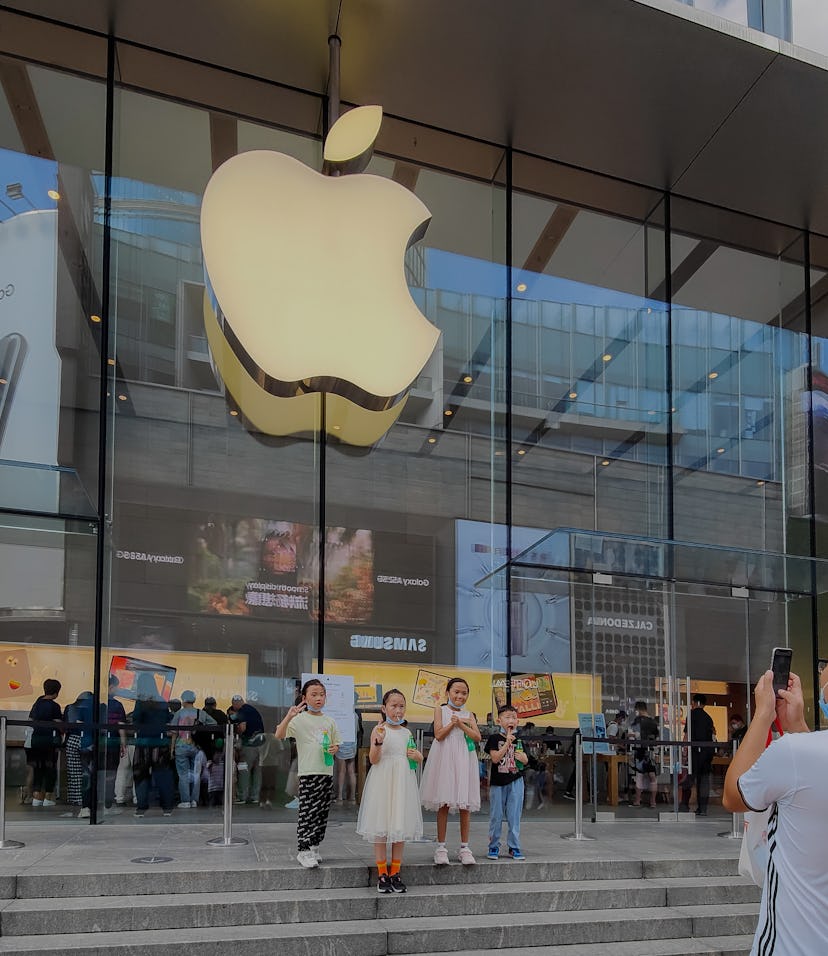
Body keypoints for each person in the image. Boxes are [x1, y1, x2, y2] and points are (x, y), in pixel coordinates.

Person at [723, 670, 820, 956]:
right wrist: (798, 725)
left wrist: (763, 715)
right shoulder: (805, 755)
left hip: (789, 946)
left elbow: (733, 795)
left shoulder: (793, 754)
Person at [356, 688, 423, 893]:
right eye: (393, 706)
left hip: (403, 782)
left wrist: (418, 757)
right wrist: (378, 742)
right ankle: (382, 873)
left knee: (399, 824)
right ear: (384, 708)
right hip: (383, 781)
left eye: (401, 706)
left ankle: (395, 871)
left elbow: (413, 759)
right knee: (381, 825)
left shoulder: (407, 732)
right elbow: (374, 760)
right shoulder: (379, 730)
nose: (398, 710)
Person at [274, 678, 341, 868]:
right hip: (308, 772)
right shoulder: (299, 720)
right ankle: (303, 849)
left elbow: (336, 743)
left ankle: (314, 846)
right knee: (307, 812)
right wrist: (289, 716)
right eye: (314, 694)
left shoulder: (330, 721)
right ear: (304, 698)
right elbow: (279, 734)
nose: (319, 698)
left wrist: (334, 749)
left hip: (326, 772)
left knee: (321, 812)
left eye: (322, 694)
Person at [419, 676, 481, 865]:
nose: (460, 696)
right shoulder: (441, 710)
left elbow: (477, 737)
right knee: (444, 803)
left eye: (464, 693)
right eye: (456, 691)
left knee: (465, 804)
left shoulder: (469, 714)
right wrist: (452, 723)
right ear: (447, 693)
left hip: (464, 758)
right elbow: (438, 735)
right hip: (445, 758)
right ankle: (441, 847)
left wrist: (461, 724)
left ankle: (464, 847)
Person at [484, 703, 528, 860]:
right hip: (498, 782)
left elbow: (526, 759)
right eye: (507, 717)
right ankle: (493, 846)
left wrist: (524, 758)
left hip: (516, 780)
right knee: (496, 816)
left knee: (514, 816)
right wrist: (507, 743)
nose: (511, 720)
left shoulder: (521, 739)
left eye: (514, 717)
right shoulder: (494, 738)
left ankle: (514, 847)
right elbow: (495, 758)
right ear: (499, 720)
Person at [131, 672, 174, 817]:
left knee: (141, 775)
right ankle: (167, 807)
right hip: (160, 742)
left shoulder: (140, 701)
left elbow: (136, 719)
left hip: (144, 741)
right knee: (162, 775)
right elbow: (167, 718)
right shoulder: (161, 700)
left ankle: (142, 807)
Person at [170, 689, 215, 807]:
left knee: (183, 774)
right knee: (196, 774)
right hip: (196, 747)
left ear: (184, 700)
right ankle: (195, 800)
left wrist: (172, 749)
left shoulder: (179, 713)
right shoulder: (201, 713)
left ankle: (185, 801)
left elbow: (174, 732)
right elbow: (214, 723)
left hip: (181, 746)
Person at [28, 678, 62, 807]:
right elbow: (59, 724)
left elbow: (30, 719)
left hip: (36, 739)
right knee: (50, 768)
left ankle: (36, 797)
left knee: (38, 767)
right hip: (50, 740)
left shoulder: (37, 704)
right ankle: (48, 796)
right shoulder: (54, 706)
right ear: (56, 692)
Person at [680, 693, 715, 815]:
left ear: (695, 703)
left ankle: (684, 805)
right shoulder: (708, 718)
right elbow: (712, 736)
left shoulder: (691, 715)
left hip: (694, 751)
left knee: (689, 778)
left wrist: (684, 752)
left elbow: (687, 735)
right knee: (704, 780)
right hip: (707, 752)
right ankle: (703, 808)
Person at [228, 694, 265, 805]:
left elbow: (242, 728)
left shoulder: (242, 711)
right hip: (261, 744)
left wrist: (237, 731)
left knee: (244, 770)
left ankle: (242, 797)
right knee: (257, 772)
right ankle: (255, 797)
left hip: (249, 745)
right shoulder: (252, 709)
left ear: (235, 704)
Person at [629, 700, 659, 808]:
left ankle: (637, 800)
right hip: (651, 751)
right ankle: (653, 801)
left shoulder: (637, 721)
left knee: (639, 776)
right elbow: (657, 737)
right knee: (653, 777)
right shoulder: (653, 722)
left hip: (640, 751)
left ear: (638, 709)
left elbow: (632, 735)